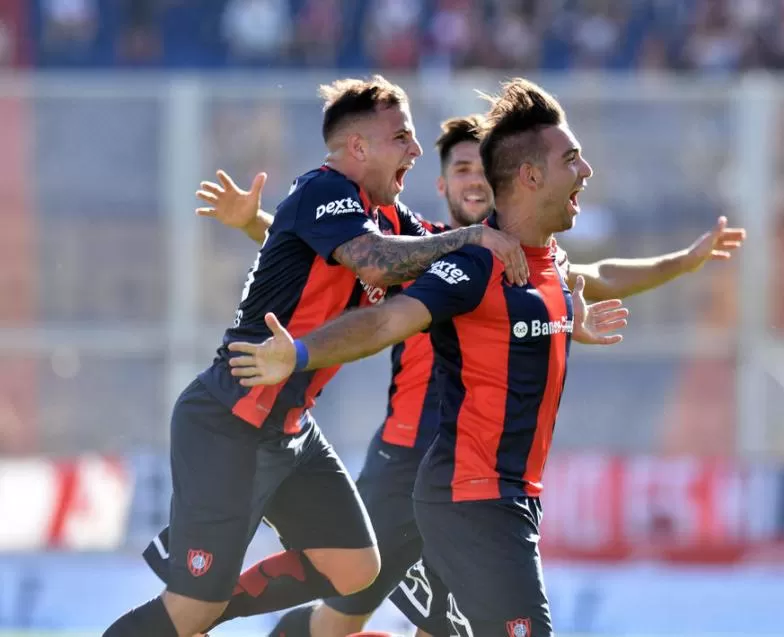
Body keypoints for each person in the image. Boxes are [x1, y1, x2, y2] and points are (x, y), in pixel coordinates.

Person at [187, 112, 744, 636]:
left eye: (483, 168)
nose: (474, 180)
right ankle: (199, 612)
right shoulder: (423, 256)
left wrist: (683, 261)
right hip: (406, 466)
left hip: (466, 473)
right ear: (442, 187)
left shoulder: (526, 262)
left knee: (447, 625)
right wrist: (255, 225)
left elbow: (595, 276)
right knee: (345, 615)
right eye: (460, 169)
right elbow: (338, 262)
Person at [102, 75, 526, 637]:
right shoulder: (325, 189)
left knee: (355, 570)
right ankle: (202, 594)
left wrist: (561, 292)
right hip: (231, 422)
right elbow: (375, 262)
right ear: (358, 148)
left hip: (291, 429)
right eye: (401, 137)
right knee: (189, 610)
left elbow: (411, 255)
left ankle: (212, 592)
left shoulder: (383, 218)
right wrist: (470, 239)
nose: (416, 151)